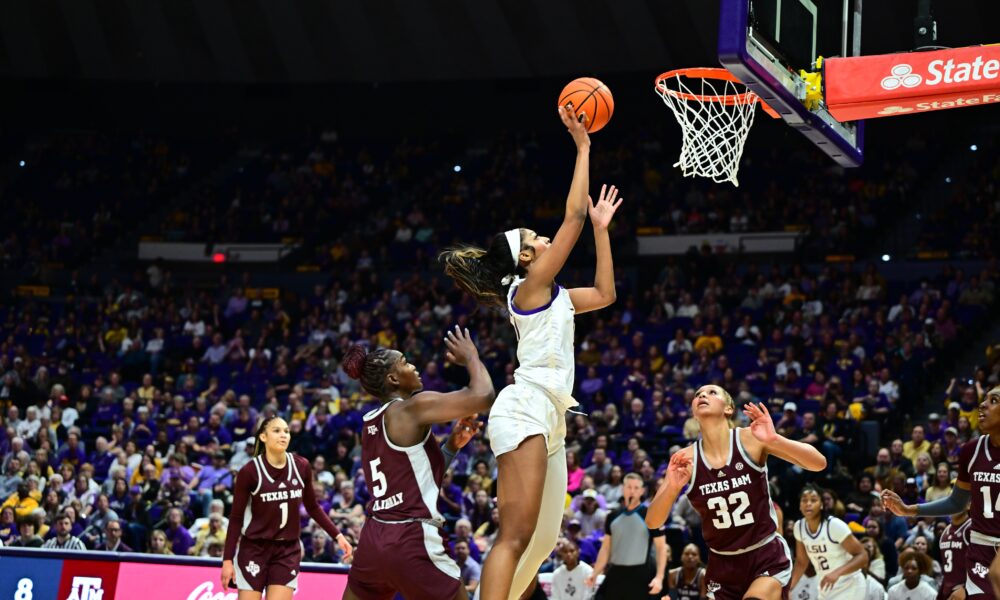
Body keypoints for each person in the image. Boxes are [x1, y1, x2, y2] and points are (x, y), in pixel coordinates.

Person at [440, 105, 622, 600]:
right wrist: (584, 147)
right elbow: (574, 215)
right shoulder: (528, 288)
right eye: (534, 238)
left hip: (550, 417)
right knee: (515, 535)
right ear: (524, 258)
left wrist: (603, 233)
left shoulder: (555, 296)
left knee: (541, 542)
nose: (543, 238)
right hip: (524, 408)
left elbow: (605, 294)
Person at [341, 326, 496, 600]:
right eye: (405, 362)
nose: (413, 366)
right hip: (411, 537)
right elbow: (483, 396)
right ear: (393, 378)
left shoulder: (369, 424)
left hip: (374, 537)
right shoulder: (412, 407)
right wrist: (471, 355)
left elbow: (413, 481)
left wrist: (451, 446)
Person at [646, 385, 827, 600]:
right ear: (694, 412)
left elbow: (818, 463)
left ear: (729, 409)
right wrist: (672, 488)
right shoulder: (686, 459)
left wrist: (775, 439)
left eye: (712, 392)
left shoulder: (751, 438)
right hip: (722, 563)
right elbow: (652, 521)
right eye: (697, 395)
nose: (702, 395)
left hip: (765, 555)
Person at [883, 385, 1000, 600]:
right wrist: (909, 510)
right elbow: (957, 502)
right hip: (980, 550)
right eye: (984, 399)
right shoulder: (971, 450)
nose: (983, 404)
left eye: (994, 401)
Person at [220, 416, 353, 600]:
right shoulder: (249, 472)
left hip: (287, 550)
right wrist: (227, 560)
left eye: (286, 431)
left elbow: (313, 507)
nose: (283, 435)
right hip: (254, 548)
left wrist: (338, 536)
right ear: (263, 437)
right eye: (276, 431)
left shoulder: (302, 466)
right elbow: (235, 519)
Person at [585, 473, 668, 598]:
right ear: (622, 489)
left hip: (641, 574)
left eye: (636, 488)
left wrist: (659, 577)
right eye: (629, 487)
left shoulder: (651, 514)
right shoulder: (612, 516)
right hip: (616, 573)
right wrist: (595, 573)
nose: (632, 491)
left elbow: (661, 548)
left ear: (642, 491)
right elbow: (606, 548)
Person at [789, 485, 868, 599]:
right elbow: (801, 562)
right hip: (825, 586)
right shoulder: (799, 527)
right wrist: (789, 588)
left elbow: (863, 556)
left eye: (813, 500)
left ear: (821, 505)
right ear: (800, 506)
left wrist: (836, 573)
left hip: (850, 584)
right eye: (804, 500)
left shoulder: (834, 525)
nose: (808, 503)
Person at [937, 510, 971, 600]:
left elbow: (983, 564)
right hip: (949, 592)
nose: (953, 506)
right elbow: (948, 572)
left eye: (958, 501)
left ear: (968, 505)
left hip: (969, 592)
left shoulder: (972, 527)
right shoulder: (945, 532)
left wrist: (966, 589)